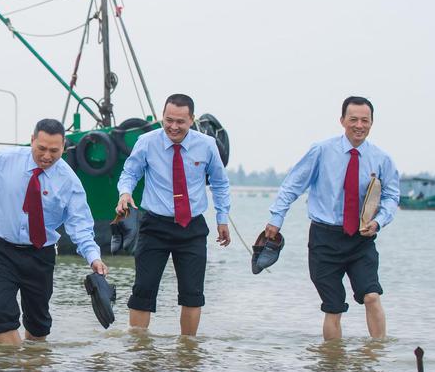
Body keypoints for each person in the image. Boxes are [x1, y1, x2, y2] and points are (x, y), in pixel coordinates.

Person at [0, 119, 108, 345]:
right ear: (32, 140)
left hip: (41, 256)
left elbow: (80, 226)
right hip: (2, 251)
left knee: (38, 327)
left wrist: (94, 259)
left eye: (54, 151)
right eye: (41, 148)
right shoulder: (7, 160)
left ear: (64, 148)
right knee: (3, 317)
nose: (46, 156)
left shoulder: (69, 182)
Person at [263, 96, 399, 340]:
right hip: (324, 238)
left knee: (371, 295)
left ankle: (377, 357)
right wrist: (276, 218)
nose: (359, 125)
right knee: (333, 307)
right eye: (353, 119)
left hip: (361, 238)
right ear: (342, 120)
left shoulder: (382, 159)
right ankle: (333, 366)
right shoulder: (322, 151)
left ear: (372, 123)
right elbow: (293, 185)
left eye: (365, 120)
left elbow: (391, 195)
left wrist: (379, 221)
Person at [115, 93, 231, 336]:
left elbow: (220, 184)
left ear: (192, 120)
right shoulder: (147, 142)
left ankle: (188, 351)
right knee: (143, 291)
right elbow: (129, 173)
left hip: (192, 228)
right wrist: (125, 193)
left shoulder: (207, 145)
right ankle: (138, 350)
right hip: (154, 225)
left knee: (192, 294)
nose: (173, 127)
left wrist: (222, 219)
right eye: (169, 120)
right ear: (162, 117)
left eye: (180, 121)